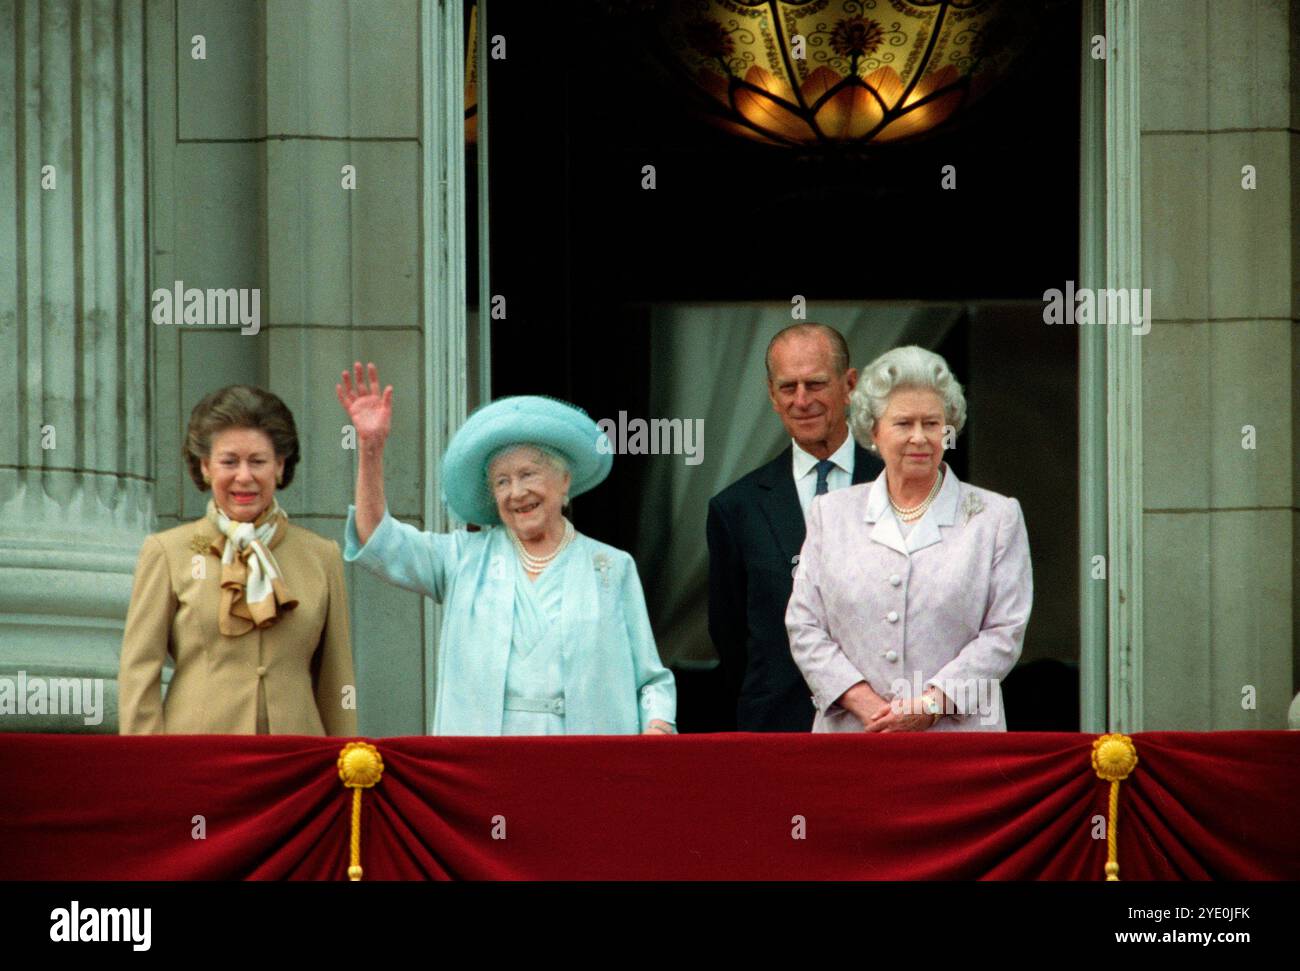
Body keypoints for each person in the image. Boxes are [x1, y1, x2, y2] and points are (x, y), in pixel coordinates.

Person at [336, 362, 676, 735]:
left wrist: (657, 728)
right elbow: (378, 540)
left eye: (528, 474)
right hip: (485, 766)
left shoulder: (610, 567)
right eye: (502, 481)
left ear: (564, 482)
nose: (516, 493)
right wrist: (370, 449)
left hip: (585, 764)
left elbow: (651, 680)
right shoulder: (462, 558)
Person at [786, 345, 1032, 732]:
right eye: (904, 424)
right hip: (854, 738)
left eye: (932, 424)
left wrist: (931, 704)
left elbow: (1004, 633)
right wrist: (864, 703)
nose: (920, 438)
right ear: (874, 431)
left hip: (957, 742)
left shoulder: (995, 517)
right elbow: (804, 625)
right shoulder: (830, 515)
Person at [119, 386, 357, 735]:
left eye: (258, 461)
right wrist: (151, 773)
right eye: (229, 461)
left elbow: (337, 683)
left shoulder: (322, 556)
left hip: (297, 764)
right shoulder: (168, 551)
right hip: (197, 762)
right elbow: (139, 674)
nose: (244, 476)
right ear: (205, 467)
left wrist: (346, 771)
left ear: (279, 466)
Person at [707, 323, 885, 731]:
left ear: (849, 384)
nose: (802, 401)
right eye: (788, 388)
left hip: (878, 724)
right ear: (771, 395)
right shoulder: (736, 508)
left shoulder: (894, 487)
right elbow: (731, 637)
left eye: (816, 384)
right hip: (776, 728)